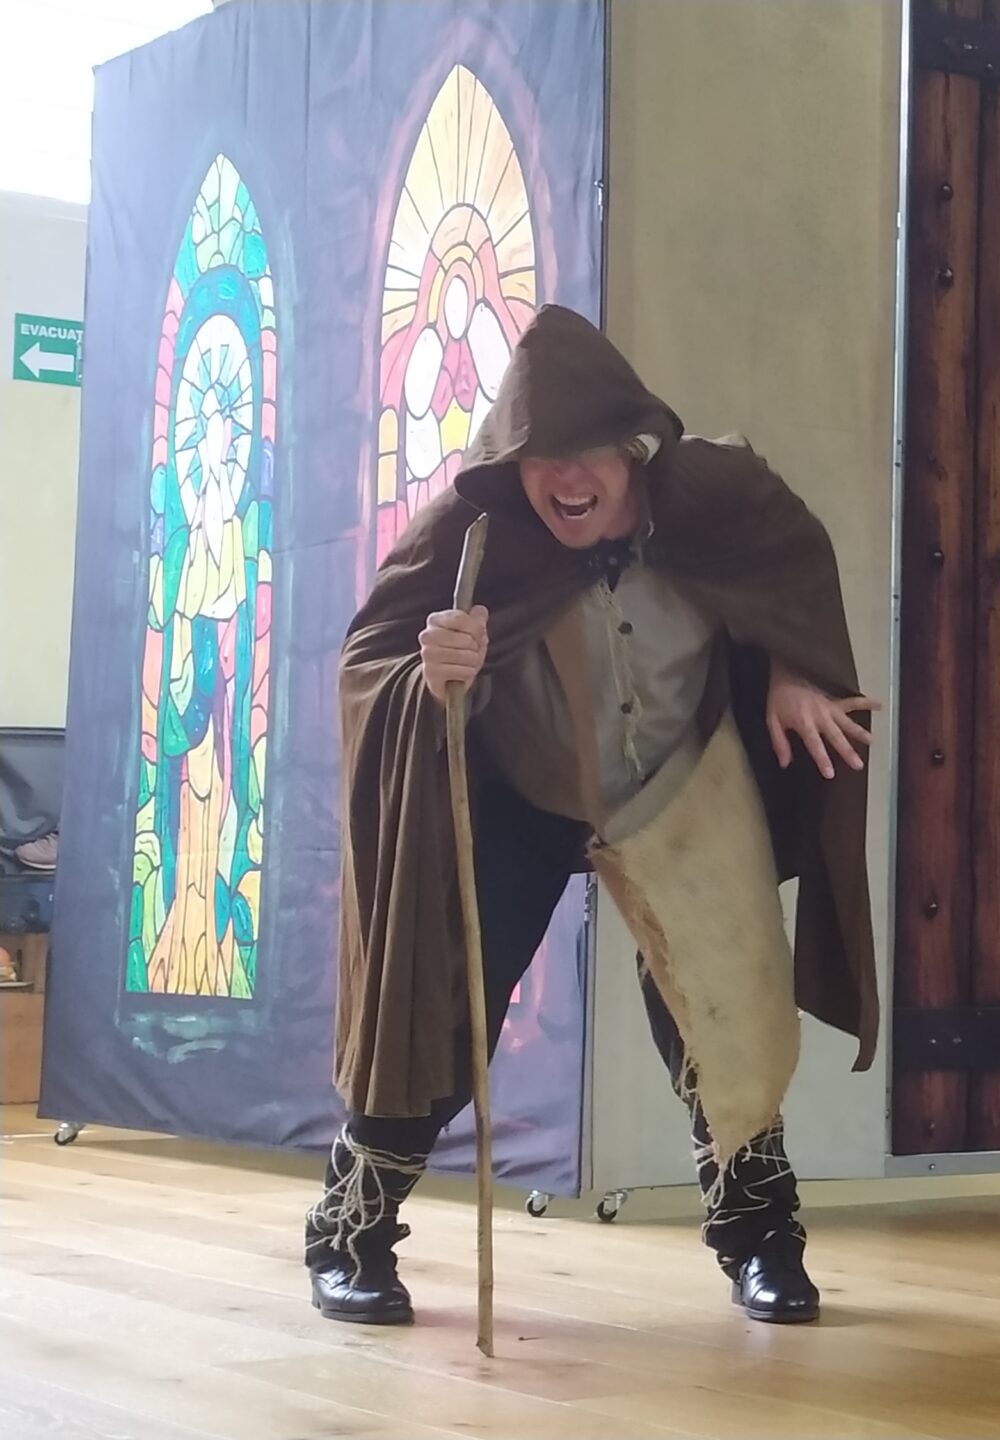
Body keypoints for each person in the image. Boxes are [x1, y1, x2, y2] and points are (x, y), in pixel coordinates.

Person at [305, 305, 882, 1327]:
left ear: (635, 449)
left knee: (726, 1007)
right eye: (541, 458)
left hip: (680, 781)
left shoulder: (713, 494)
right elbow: (372, 659)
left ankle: (762, 1239)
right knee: (440, 999)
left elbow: (784, 565)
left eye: (587, 454)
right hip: (521, 789)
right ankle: (351, 1233)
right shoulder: (473, 534)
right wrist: (434, 677)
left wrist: (796, 667)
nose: (565, 478)